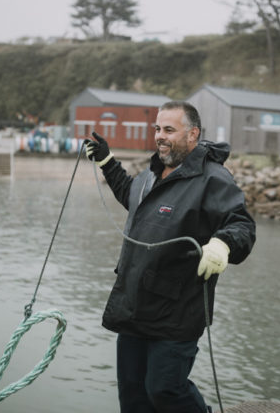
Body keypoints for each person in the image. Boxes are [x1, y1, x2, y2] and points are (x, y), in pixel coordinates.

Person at [84, 101, 256, 413]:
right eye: (157, 129)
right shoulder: (152, 173)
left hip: (177, 311)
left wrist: (223, 244)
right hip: (134, 304)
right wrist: (107, 162)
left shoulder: (213, 178)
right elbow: (131, 196)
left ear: (193, 134)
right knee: (133, 396)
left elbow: (242, 224)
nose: (160, 136)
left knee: (165, 390)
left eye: (169, 130)